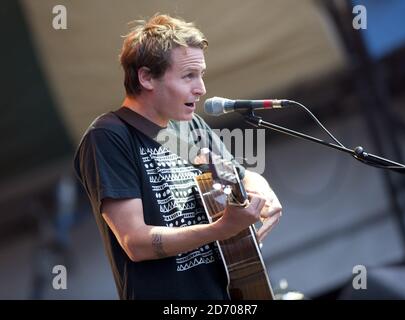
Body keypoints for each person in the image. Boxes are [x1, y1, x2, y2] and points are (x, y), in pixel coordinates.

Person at [74, 14, 282, 300]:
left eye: (201, 75)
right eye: (188, 76)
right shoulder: (110, 136)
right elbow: (135, 242)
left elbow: (241, 175)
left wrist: (264, 191)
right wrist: (221, 229)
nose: (201, 88)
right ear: (146, 77)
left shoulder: (186, 127)